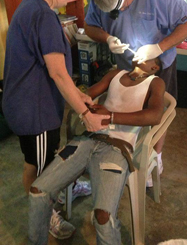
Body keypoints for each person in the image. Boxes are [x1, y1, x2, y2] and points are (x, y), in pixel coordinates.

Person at [2, 0, 109, 240]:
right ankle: (44, 214)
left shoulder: (30, 6)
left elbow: (57, 72)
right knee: (41, 169)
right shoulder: (44, 17)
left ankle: (60, 192)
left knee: (45, 157)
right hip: (33, 111)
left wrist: (79, 96)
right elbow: (58, 74)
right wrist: (86, 114)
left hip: (30, 104)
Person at [28, 57, 165, 245]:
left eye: (147, 54)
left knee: (103, 216)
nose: (139, 53)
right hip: (87, 140)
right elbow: (84, 96)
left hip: (117, 149)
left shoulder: (155, 82)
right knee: (38, 191)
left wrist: (110, 116)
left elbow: (155, 115)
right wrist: (83, 101)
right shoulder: (115, 74)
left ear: (154, 67)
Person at [84, 0, 187, 185]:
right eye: (114, 13)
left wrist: (159, 47)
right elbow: (89, 26)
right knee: (129, 108)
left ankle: (154, 157)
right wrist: (107, 37)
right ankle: (125, 151)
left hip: (160, 60)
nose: (121, 13)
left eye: (123, 7)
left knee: (154, 116)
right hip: (124, 66)